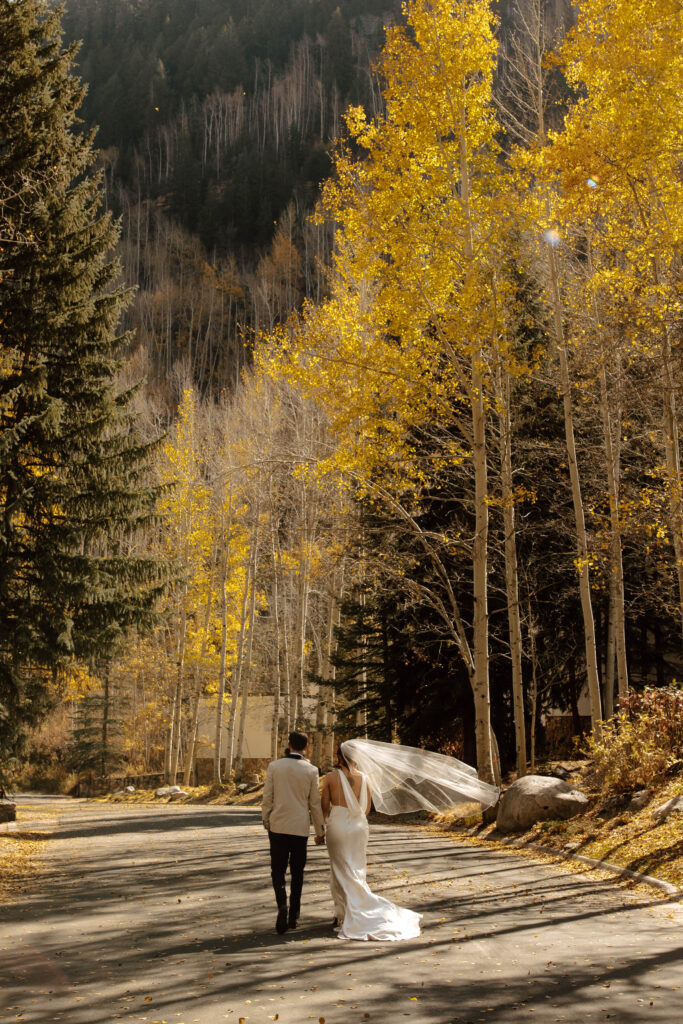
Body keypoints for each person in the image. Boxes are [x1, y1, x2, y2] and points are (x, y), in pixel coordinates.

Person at [321, 744, 422, 942]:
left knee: (339, 868)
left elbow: (324, 804)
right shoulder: (365, 778)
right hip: (359, 827)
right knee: (356, 868)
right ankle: (345, 910)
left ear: (339, 757)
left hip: (338, 825)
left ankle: (344, 911)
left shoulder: (331, 778)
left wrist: (324, 824)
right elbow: (366, 809)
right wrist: (355, 817)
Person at [262, 730, 325, 934]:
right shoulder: (311, 770)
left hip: (278, 825)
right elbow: (314, 803)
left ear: (289, 745)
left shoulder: (275, 766)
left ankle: (282, 906)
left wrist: (266, 819)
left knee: (277, 870)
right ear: (306, 747)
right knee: (297, 871)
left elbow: (267, 797)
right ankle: (294, 914)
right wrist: (320, 830)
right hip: (299, 827)